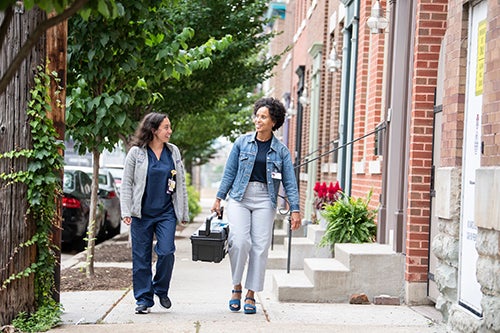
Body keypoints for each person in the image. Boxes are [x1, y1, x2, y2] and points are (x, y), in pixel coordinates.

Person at [212, 97, 301, 315]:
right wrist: (219, 197)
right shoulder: (242, 143)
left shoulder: (281, 151)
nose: (258, 120)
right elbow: (230, 172)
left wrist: (295, 209)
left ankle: (251, 293)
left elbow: (289, 180)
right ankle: (236, 286)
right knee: (239, 241)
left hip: (265, 199)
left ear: (274, 122)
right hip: (240, 197)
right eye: (257, 116)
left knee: (260, 248)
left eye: (263, 117)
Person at [120, 112, 189, 314]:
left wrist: (183, 212)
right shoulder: (136, 153)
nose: (170, 131)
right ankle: (143, 299)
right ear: (153, 130)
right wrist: (126, 210)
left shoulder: (173, 152)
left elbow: (181, 182)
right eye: (166, 127)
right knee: (141, 257)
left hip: (166, 212)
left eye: (169, 127)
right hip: (141, 213)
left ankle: (160, 288)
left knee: (166, 252)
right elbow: (127, 184)